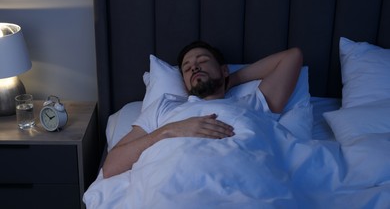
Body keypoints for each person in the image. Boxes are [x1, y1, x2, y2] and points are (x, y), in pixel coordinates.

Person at [102, 41, 303, 178]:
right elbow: (111, 167)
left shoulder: (251, 104)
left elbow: (292, 57)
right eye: (187, 68)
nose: (194, 68)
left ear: (224, 69)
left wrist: (230, 80)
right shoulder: (164, 107)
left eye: (203, 61)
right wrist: (168, 131)